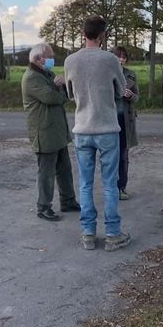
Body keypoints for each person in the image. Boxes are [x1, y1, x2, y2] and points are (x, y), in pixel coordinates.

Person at [64, 16, 131, 252]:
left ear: (83, 33)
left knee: (85, 183)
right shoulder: (110, 59)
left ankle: (88, 234)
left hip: (82, 128)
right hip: (107, 127)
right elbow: (121, 90)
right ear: (102, 35)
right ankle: (113, 233)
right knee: (110, 183)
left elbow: (71, 95)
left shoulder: (70, 61)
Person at [21, 43, 80, 221]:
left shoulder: (46, 73)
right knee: (46, 172)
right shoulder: (32, 77)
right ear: (38, 59)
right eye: (49, 56)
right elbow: (51, 98)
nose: (52, 60)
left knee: (64, 169)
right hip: (44, 132)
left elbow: (65, 93)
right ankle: (43, 207)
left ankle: (68, 201)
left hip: (56, 131)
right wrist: (59, 89)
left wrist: (61, 87)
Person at [113, 46, 139, 200]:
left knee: (123, 155)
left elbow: (137, 97)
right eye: (118, 56)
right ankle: (111, 188)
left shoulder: (131, 74)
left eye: (124, 57)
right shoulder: (106, 74)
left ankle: (121, 187)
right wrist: (118, 93)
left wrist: (130, 96)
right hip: (110, 119)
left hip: (126, 121)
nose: (121, 59)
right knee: (111, 155)